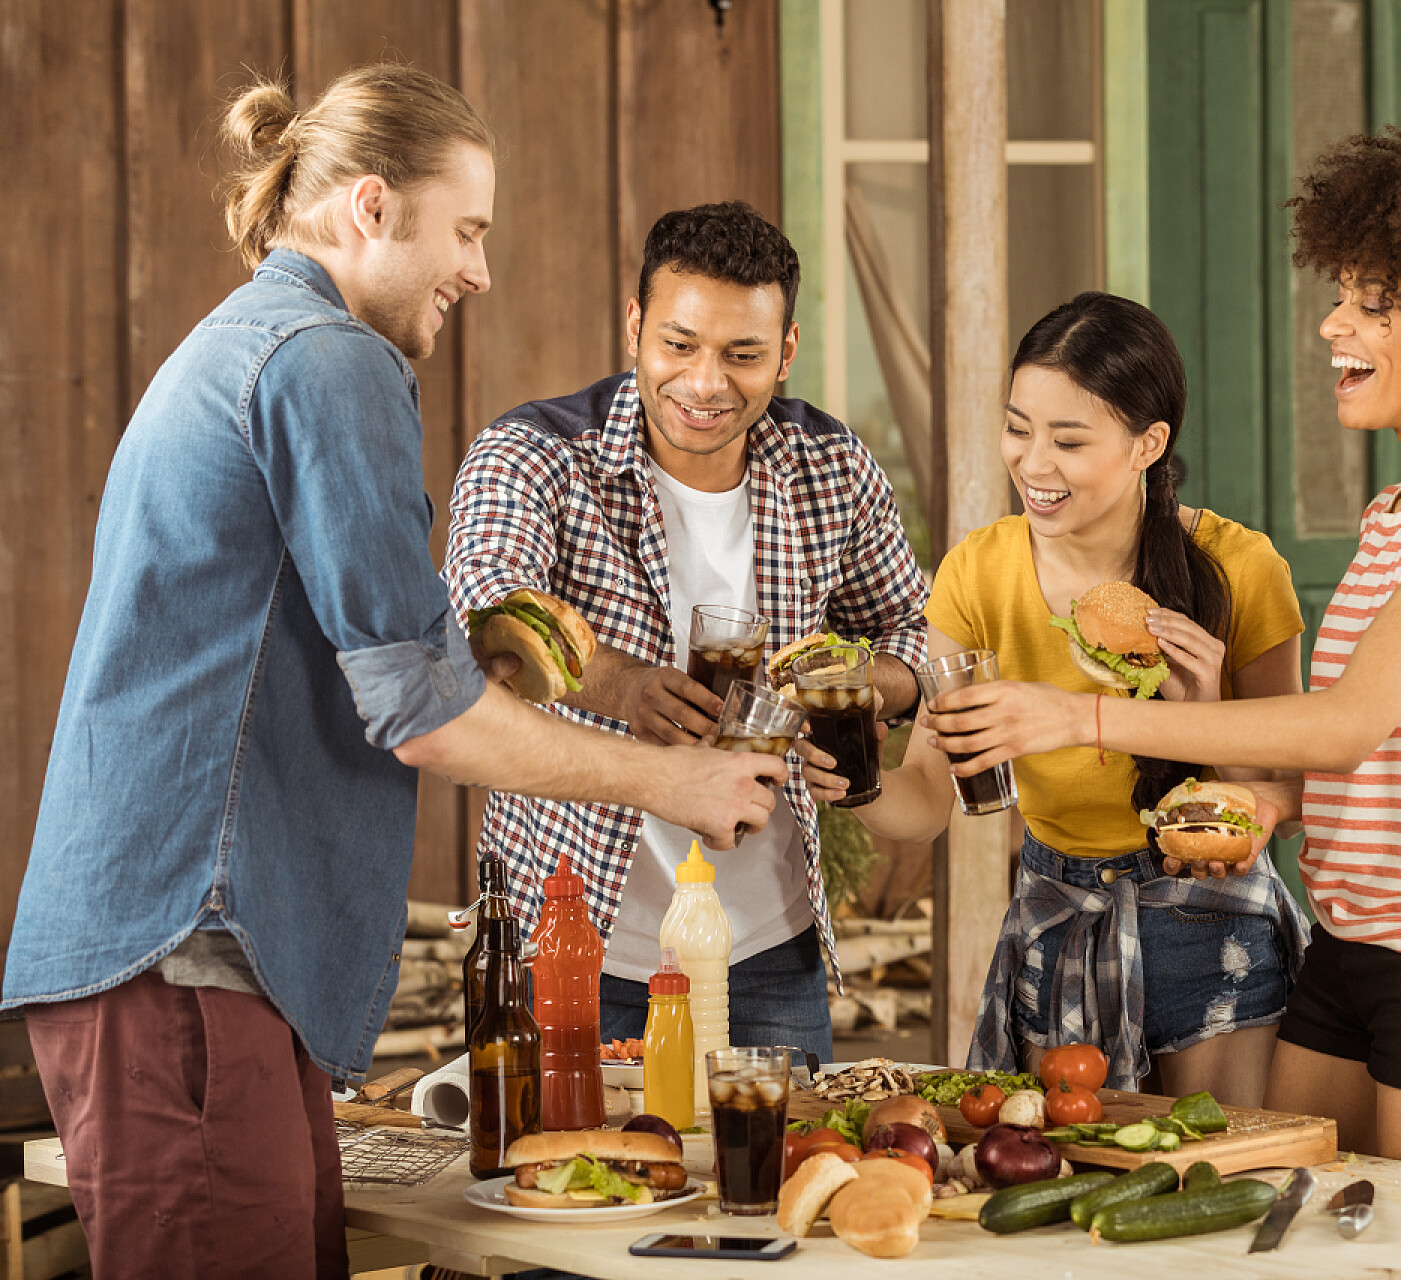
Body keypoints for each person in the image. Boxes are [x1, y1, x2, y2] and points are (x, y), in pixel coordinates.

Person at [1, 69, 784, 1279]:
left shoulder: (256, 340)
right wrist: (673, 779)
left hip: (179, 962)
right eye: (466, 230)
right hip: (192, 956)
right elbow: (423, 716)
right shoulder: (329, 358)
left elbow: (335, 651)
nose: (478, 270)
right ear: (374, 207)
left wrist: (487, 653)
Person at [924, 128, 1401, 1175]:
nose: (1335, 321)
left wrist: (1079, 713)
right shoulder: (1398, 515)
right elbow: (1394, 751)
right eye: (1342, 293)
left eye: (1376, 302)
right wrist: (1264, 799)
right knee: (1281, 1206)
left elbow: (1346, 725)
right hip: (1352, 938)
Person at [443, 201, 929, 1066]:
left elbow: (911, 633)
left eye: (743, 355)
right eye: (679, 344)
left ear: (786, 351)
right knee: (579, 1181)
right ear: (634, 326)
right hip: (575, 945)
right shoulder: (535, 455)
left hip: (769, 953)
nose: (706, 384)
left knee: (769, 1191)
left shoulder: (832, 466)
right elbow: (480, 619)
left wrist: (855, 688)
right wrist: (621, 686)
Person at [823, 291, 1311, 1105]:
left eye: (1069, 440)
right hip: (1057, 913)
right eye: (1019, 428)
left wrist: (1200, 721)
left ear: (1147, 444)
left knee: (1216, 1179)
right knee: (1069, 1188)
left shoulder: (1240, 567)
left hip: (1210, 913)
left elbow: (1285, 789)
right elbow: (927, 800)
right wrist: (855, 776)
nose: (1033, 464)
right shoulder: (978, 572)